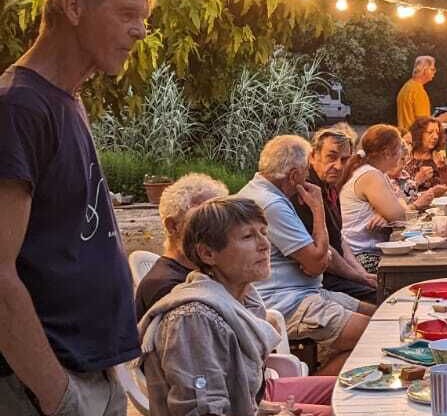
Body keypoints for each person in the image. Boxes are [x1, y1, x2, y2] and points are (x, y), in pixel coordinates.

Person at [0, 0, 154, 416]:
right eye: (128, 14)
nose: (141, 31)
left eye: (143, 18)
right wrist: (56, 394)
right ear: (73, 7)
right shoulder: (18, 107)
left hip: (94, 374)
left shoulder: (66, 99)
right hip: (43, 388)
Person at [139, 197, 336, 416]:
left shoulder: (244, 299)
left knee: (350, 394)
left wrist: (266, 410)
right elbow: (202, 411)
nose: (265, 245)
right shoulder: (193, 319)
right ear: (208, 253)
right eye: (248, 236)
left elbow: (240, 399)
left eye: (263, 232)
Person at [237, 135, 374, 376]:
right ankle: (310, 391)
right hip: (287, 303)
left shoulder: (265, 193)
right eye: (305, 171)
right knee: (377, 335)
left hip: (306, 293)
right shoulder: (271, 204)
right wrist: (318, 208)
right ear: (293, 175)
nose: (307, 175)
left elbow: (318, 257)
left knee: (380, 315)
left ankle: (323, 377)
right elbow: (317, 262)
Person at [342, 124, 447, 273]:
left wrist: (387, 214)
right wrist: (391, 213)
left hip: (370, 251)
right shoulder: (371, 175)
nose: (403, 153)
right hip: (362, 256)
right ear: (387, 153)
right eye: (400, 149)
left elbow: (399, 205)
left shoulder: (377, 173)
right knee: (422, 268)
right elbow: (402, 216)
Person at [292, 124, 379, 303]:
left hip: (337, 273)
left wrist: (363, 274)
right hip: (318, 281)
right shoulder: (306, 191)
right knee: (381, 298)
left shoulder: (330, 187)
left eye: (344, 159)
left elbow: (339, 239)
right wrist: (359, 278)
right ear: (313, 156)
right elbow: (325, 253)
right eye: (331, 157)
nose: (338, 166)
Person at [136, 173, 230, 319]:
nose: (219, 229)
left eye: (221, 220)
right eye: (204, 220)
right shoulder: (168, 288)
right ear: (173, 226)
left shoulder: (202, 271)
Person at [402, 116, 447, 194]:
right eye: (430, 132)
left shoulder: (437, 157)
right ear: (418, 134)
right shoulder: (405, 156)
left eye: (437, 133)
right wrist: (417, 180)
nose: (435, 137)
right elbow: (398, 193)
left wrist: (443, 171)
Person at [396, 55, 447, 132]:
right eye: (432, 69)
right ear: (425, 70)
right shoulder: (418, 91)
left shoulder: (406, 87)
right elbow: (423, 123)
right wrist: (441, 119)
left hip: (405, 137)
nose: (435, 72)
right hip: (416, 139)